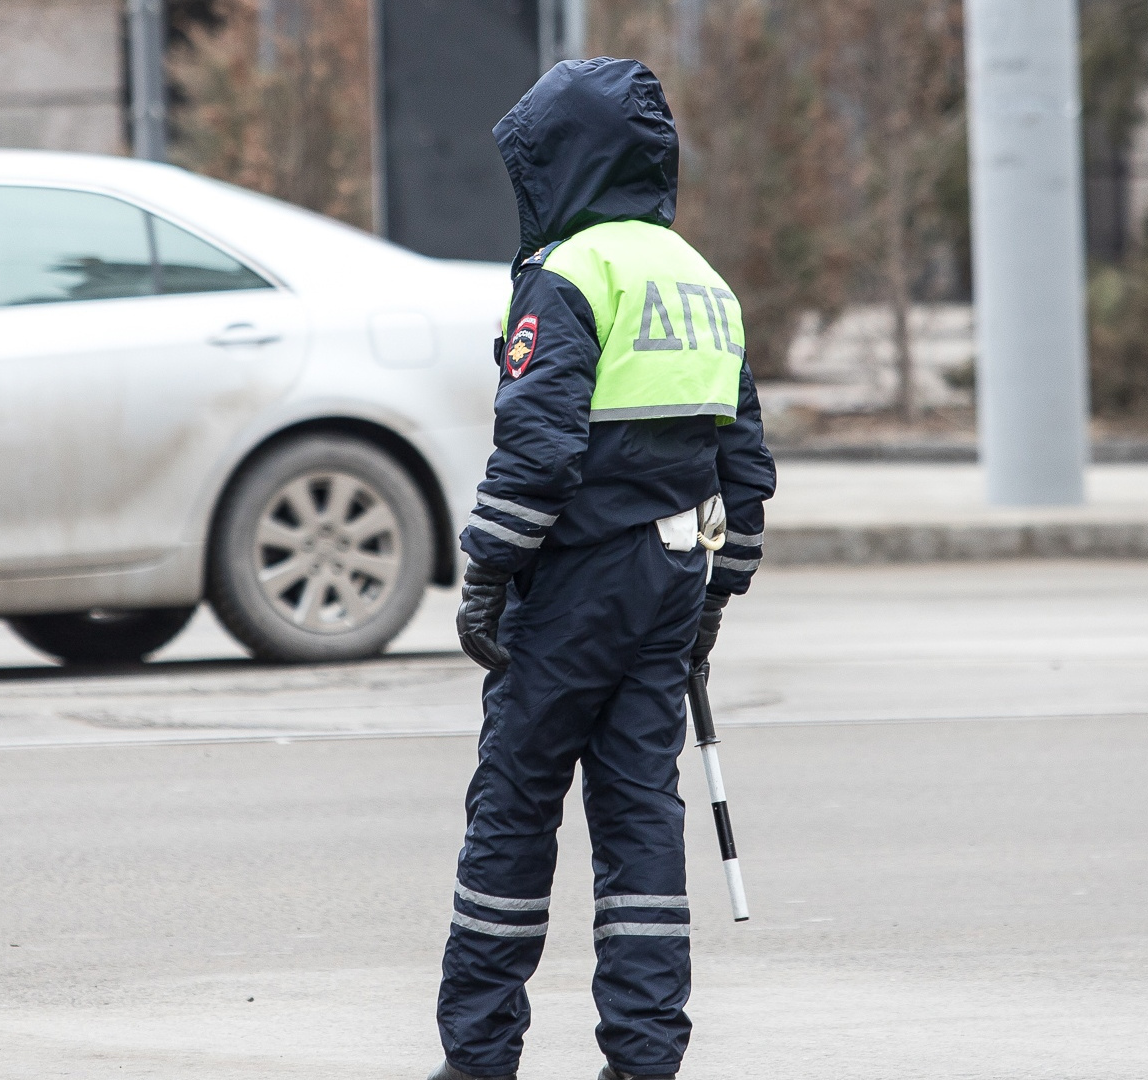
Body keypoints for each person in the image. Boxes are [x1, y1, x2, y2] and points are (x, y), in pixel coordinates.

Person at [429, 57, 777, 1080]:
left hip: (577, 584)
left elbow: (538, 448)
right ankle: (643, 1058)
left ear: (563, 165)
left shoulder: (569, 275)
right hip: (672, 578)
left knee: (515, 807)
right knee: (639, 820)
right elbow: (745, 458)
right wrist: (723, 587)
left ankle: (480, 1057)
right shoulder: (699, 278)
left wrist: (488, 571)